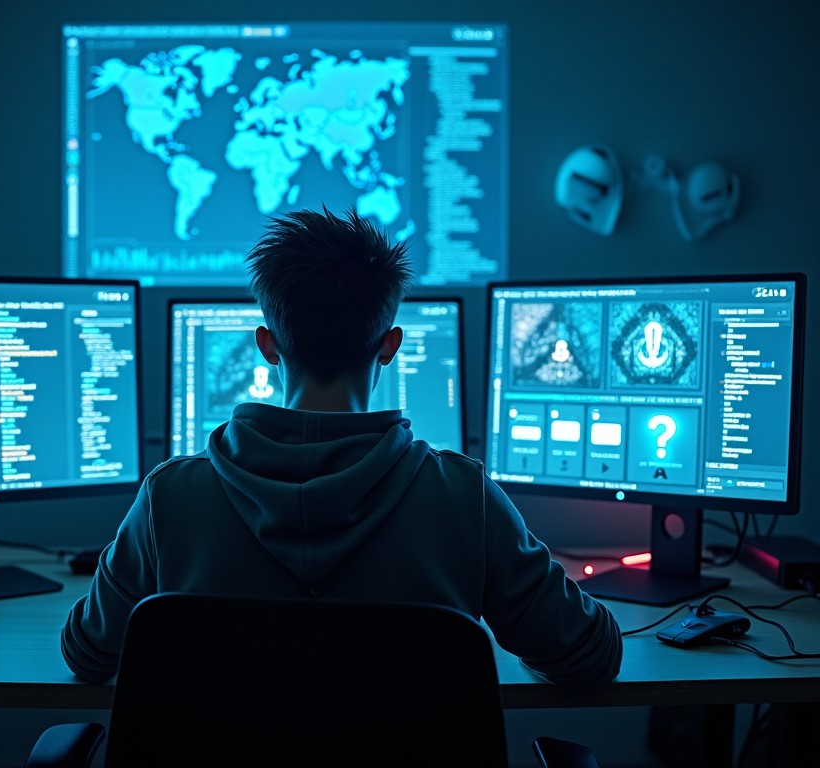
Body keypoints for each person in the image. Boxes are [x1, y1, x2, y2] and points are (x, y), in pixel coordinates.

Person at [61, 206, 623, 689]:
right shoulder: (463, 499)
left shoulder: (171, 499)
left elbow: (87, 656)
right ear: (390, 347)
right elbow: (591, 659)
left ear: (266, 346)